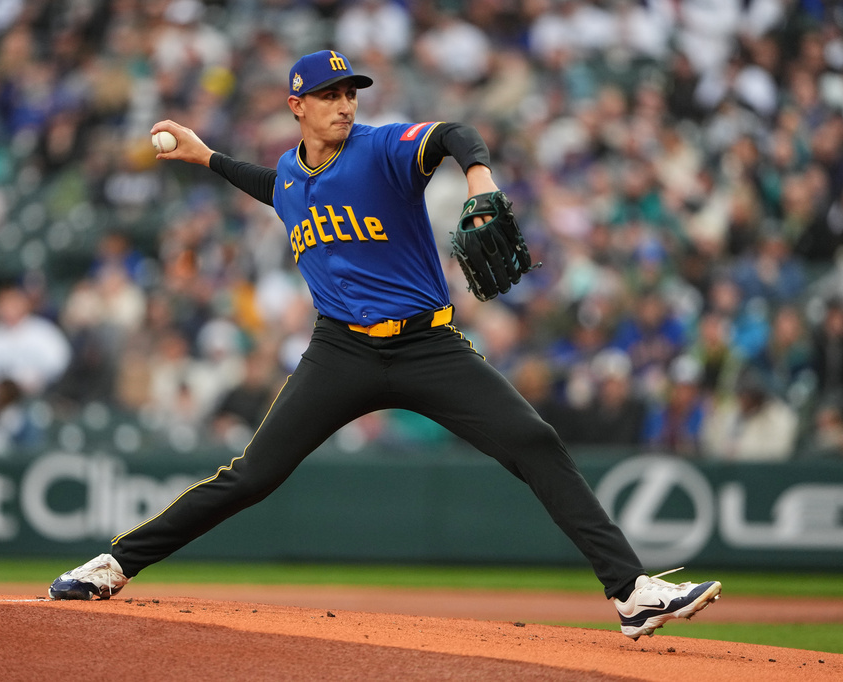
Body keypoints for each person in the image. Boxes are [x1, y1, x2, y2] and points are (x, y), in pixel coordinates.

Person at [49, 50, 722, 640]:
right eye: (329, 95)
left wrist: (479, 176)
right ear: (296, 106)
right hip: (340, 352)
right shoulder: (290, 175)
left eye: (350, 93)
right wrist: (208, 158)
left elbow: (454, 133)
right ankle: (114, 564)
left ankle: (631, 592)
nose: (344, 104)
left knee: (534, 440)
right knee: (251, 476)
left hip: (429, 346)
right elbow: (275, 188)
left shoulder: (383, 150)